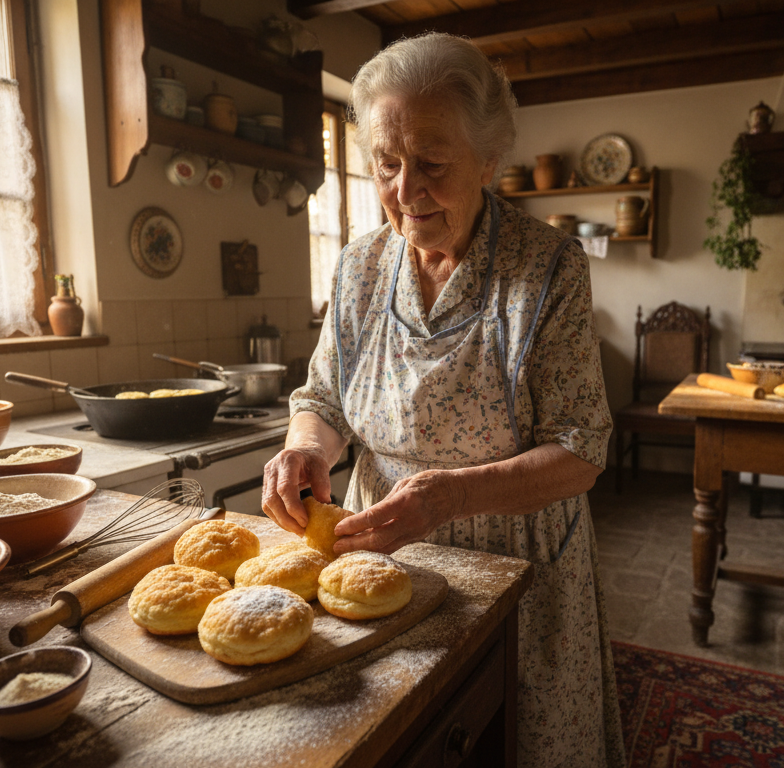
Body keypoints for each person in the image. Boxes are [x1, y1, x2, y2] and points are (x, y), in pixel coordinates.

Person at [261, 32, 623, 768]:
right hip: (375, 558)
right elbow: (325, 398)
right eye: (386, 165)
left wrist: (448, 497)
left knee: (515, 740)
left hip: (517, 566)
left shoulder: (547, 267)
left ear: (489, 160)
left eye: (431, 163)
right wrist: (304, 446)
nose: (405, 189)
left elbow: (582, 452)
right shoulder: (360, 266)